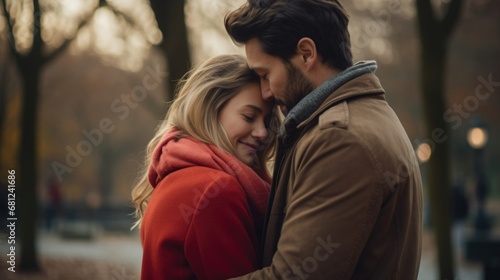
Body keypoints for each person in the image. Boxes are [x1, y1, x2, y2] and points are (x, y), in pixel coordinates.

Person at [224, 0, 423, 279]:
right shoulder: (360, 118)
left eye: (265, 74)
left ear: (306, 53)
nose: (265, 92)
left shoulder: (339, 139)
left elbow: (293, 276)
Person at [131, 54, 280, 280]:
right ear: (210, 109)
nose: (263, 133)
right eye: (249, 116)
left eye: (266, 121)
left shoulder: (175, 175)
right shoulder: (214, 189)